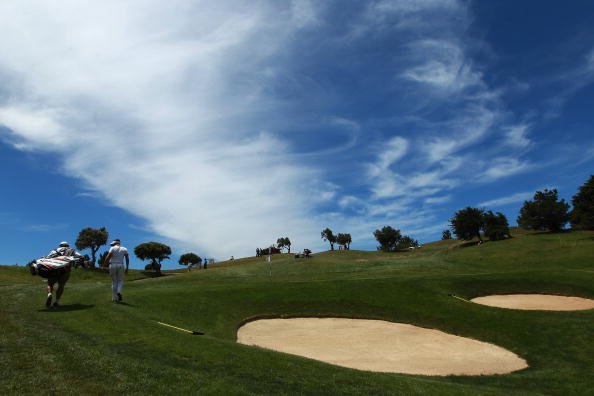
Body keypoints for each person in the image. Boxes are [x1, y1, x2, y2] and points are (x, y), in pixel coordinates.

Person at [44, 241, 83, 308]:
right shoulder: (72, 251)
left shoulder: (55, 250)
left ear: (60, 245)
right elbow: (80, 256)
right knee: (61, 285)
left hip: (54, 269)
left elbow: (47, 257)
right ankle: (56, 301)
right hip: (66, 270)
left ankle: (49, 294)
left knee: (50, 284)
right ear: (68, 245)